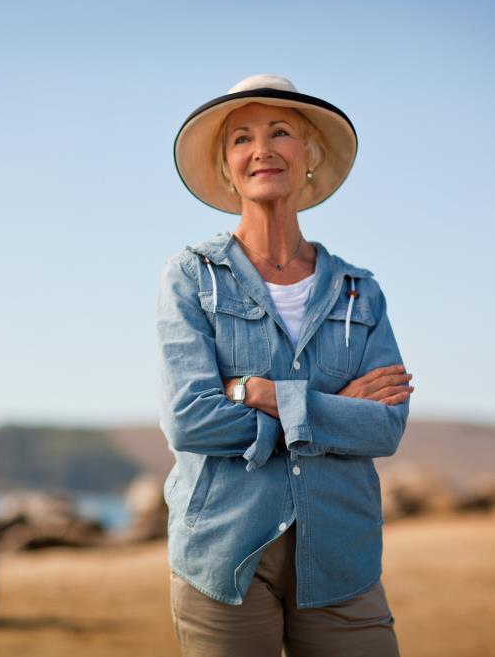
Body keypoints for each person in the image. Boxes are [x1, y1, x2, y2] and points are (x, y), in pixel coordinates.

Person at [158, 75, 413, 656]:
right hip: (224, 558)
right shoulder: (191, 277)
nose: (261, 149)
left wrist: (263, 393)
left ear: (310, 157)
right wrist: (333, 411)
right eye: (241, 139)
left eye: (280, 133)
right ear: (227, 167)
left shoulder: (359, 292)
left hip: (341, 557)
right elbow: (191, 421)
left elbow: (386, 426)